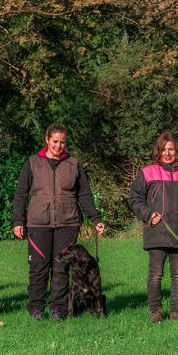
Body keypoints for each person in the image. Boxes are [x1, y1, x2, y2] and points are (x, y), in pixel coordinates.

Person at [11, 124, 106, 320]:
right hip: (38, 223)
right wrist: (17, 221)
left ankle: (58, 309)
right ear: (47, 140)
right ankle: (36, 308)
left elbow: (84, 194)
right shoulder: (32, 163)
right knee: (38, 268)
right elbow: (20, 194)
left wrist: (95, 218)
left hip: (68, 223)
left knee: (61, 268)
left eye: (62, 142)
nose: (58, 145)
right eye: (55, 141)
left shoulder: (73, 164)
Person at [127, 131, 178, 323]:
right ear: (158, 151)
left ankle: (175, 312)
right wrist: (148, 214)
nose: (167, 153)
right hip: (156, 232)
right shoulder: (148, 173)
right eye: (163, 149)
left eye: (171, 149)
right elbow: (134, 198)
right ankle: (156, 311)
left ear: (177, 151)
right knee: (156, 274)